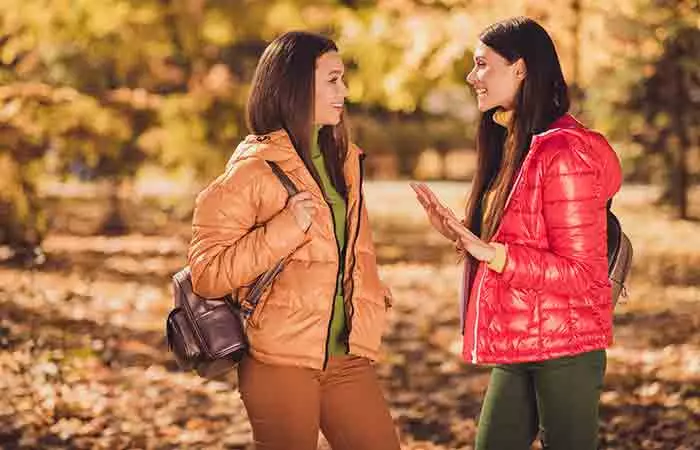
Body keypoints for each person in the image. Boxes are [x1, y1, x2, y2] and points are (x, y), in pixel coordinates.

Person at [411, 17, 622, 450]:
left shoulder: (563, 154)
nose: (472, 77)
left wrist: (497, 256)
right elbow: (514, 242)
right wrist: (462, 238)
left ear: (521, 69)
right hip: (521, 341)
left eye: (482, 64)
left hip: (566, 347)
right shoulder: (517, 146)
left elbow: (585, 274)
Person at [186, 31, 399, 450]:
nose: (345, 91)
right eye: (333, 79)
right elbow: (207, 275)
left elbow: (338, 250)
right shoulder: (252, 170)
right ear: (297, 86)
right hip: (278, 361)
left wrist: (365, 288)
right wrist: (283, 229)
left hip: (346, 357)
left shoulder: (345, 161)